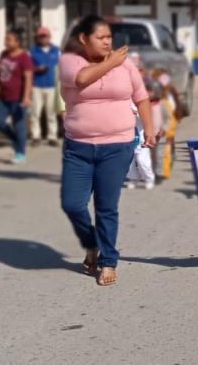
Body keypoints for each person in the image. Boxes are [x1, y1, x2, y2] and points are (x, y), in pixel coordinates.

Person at [59, 15, 156, 286]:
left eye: (109, 37)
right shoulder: (70, 61)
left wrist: (149, 129)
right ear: (83, 39)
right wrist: (112, 62)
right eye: (100, 37)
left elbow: (141, 97)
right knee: (72, 204)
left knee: (106, 207)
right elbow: (81, 80)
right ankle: (92, 244)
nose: (106, 42)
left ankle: (108, 261)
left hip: (117, 146)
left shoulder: (126, 66)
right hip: (78, 148)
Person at [0, 30, 33, 163]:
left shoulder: (24, 57)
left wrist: (26, 97)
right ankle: (15, 139)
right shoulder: (3, 54)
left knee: (19, 125)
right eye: (5, 39)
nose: (5, 42)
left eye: (9, 40)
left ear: (17, 42)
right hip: (3, 97)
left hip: (18, 98)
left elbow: (28, 78)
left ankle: (20, 153)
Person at [29, 27, 60, 146]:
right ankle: (36, 136)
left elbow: (61, 67)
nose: (43, 38)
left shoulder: (56, 50)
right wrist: (36, 69)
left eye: (45, 36)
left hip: (51, 86)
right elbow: (27, 68)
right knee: (35, 113)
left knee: (51, 113)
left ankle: (52, 137)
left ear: (49, 36)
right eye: (41, 36)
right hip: (37, 86)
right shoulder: (32, 51)